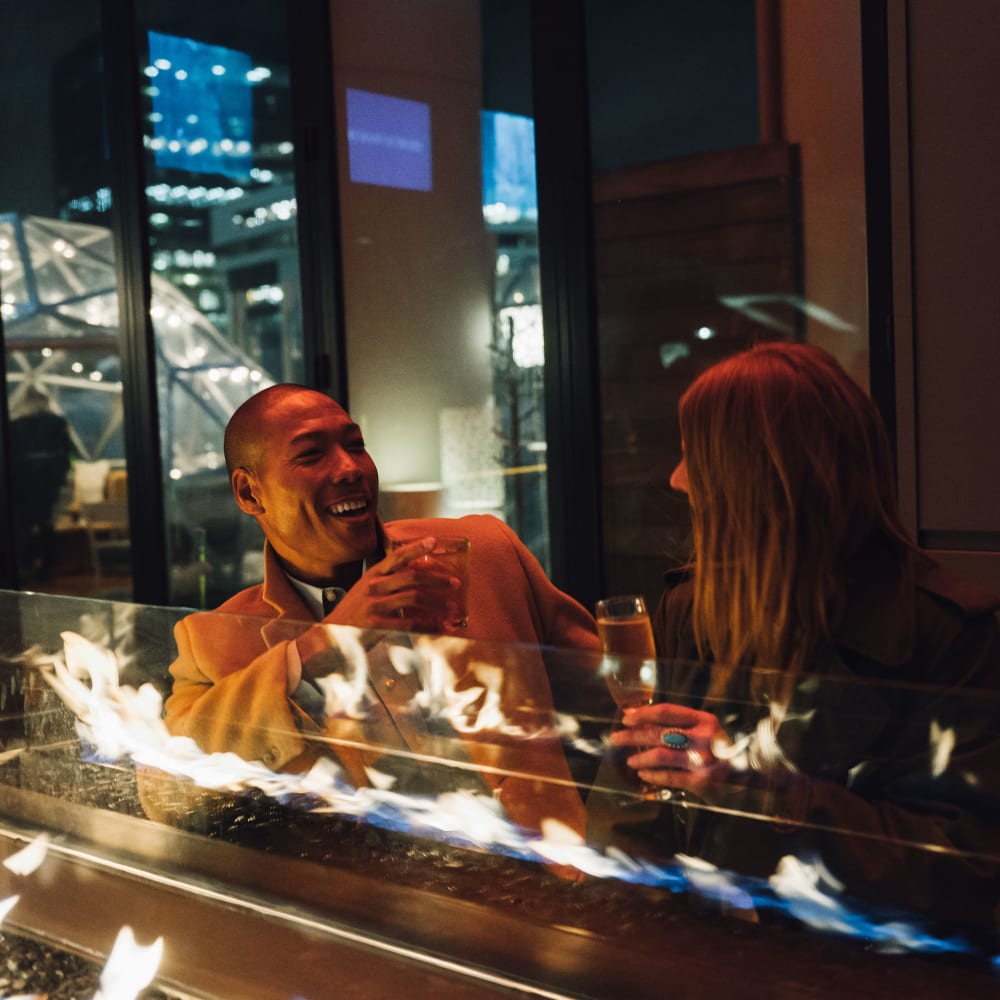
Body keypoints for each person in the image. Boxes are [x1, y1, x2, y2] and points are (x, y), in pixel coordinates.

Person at [591, 342, 1000, 937]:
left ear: (761, 482)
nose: (677, 480)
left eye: (694, 456)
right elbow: (639, 802)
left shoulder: (951, 637)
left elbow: (964, 873)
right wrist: (632, 951)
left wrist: (764, 797)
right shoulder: (693, 609)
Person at [140, 384, 600, 839]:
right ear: (249, 494)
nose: (350, 468)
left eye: (356, 445)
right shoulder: (212, 640)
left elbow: (614, 704)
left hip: (547, 879)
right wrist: (319, 648)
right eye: (311, 455)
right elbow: (163, 795)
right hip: (365, 903)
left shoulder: (483, 552)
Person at [9, 384, 74, 582]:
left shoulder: (16, 425)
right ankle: (46, 567)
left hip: (23, 485)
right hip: (47, 484)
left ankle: (26, 565)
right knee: (45, 525)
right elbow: (66, 454)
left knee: (24, 525)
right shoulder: (56, 422)